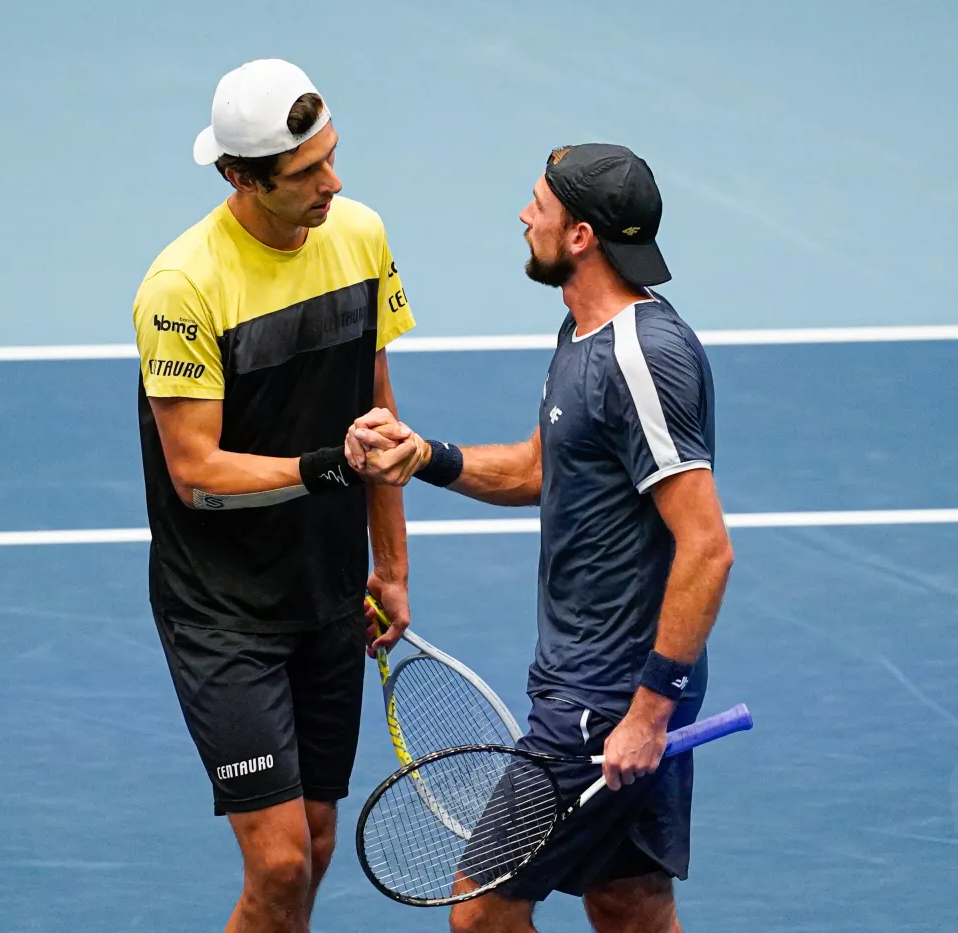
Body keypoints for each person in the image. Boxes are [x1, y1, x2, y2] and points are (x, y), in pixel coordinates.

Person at [347, 143, 733, 933]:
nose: (525, 217)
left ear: (582, 235)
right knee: (631, 906)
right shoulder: (582, 332)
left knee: (482, 912)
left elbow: (707, 546)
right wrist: (424, 456)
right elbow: (537, 467)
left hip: (605, 703)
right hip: (592, 687)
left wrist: (649, 709)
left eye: (540, 206)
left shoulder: (641, 358)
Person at [131, 59, 416, 933]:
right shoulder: (181, 288)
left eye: (332, 158)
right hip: (224, 613)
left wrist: (391, 565)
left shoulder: (360, 236)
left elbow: (381, 416)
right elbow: (196, 471)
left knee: (316, 848)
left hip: (329, 595)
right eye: (305, 174)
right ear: (238, 177)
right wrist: (327, 465)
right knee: (281, 859)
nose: (332, 183)